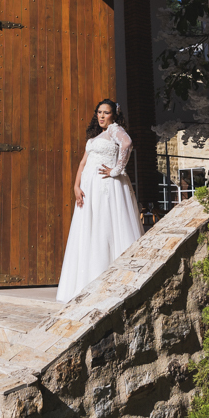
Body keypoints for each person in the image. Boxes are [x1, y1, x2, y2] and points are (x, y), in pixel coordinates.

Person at [56, 99, 144, 302]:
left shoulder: (114, 130)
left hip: (106, 187)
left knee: (104, 227)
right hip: (89, 189)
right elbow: (82, 163)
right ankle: (85, 282)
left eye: (106, 112)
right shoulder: (96, 137)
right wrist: (76, 186)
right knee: (89, 228)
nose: (102, 116)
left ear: (114, 115)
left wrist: (116, 170)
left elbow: (127, 143)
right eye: (99, 112)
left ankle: (110, 282)